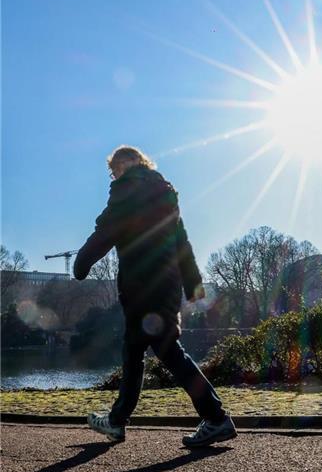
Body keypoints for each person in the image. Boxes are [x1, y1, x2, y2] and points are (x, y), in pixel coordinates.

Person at [74, 145, 237, 448]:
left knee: (163, 351)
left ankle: (215, 417)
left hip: (141, 287)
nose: (115, 174)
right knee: (136, 351)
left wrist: (81, 263)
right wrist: (193, 284)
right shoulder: (165, 193)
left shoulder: (126, 191)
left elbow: (106, 231)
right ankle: (118, 421)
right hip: (166, 286)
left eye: (116, 168)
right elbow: (181, 242)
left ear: (128, 164)